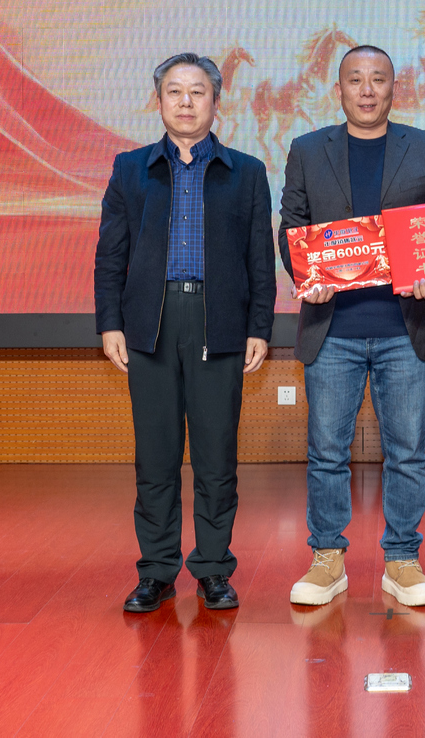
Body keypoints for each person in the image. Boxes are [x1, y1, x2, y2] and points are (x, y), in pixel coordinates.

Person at [95, 53, 274, 613]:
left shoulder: (247, 172)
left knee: (217, 458)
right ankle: (156, 571)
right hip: (149, 324)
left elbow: (260, 259)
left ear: (216, 101)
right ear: (158, 101)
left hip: (218, 322)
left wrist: (259, 326)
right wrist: (110, 323)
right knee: (156, 457)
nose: (186, 102)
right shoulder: (130, 168)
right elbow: (111, 255)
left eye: (198, 92)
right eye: (175, 91)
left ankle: (214, 570)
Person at [280, 45, 425, 608]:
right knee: (327, 451)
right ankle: (327, 558)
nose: (367, 90)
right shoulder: (308, 150)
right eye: (355, 79)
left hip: (405, 328)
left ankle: (402, 559)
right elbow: (292, 227)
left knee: (407, 452)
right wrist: (307, 276)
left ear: (393, 88)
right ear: (339, 89)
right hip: (332, 329)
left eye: (378, 79)